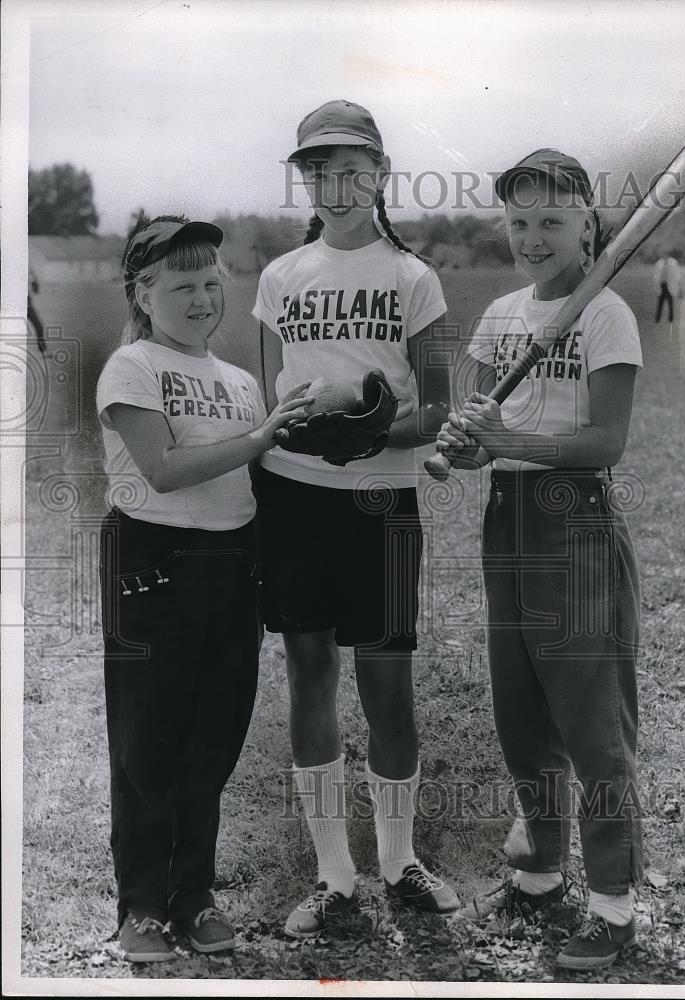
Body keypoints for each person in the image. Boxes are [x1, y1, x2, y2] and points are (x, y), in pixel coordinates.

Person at [252, 99, 460, 938]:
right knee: (309, 672)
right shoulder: (277, 277)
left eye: (350, 168)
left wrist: (367, 426)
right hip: (293, 494)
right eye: (316, 169)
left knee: (387, 682)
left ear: (378, 174)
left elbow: (437, 409)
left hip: (380, 499)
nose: (333, 184)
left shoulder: (414, 278)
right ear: (303, 179)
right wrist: (303, 428)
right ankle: (335, 877)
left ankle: (399, 860)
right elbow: (273, 397)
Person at [437, 150, 644, 970]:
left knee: (591, 722)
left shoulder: (607, 315)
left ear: (586, 224)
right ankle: (538, 876)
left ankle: (613, 904)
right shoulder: (498, 316)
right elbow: (475, 429)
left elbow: (605, 444)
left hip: (574, 523)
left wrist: (504, 441)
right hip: (507, 523)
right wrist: (465, 444)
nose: (531, 237)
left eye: (551, 221)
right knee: (520, 712)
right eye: (518, 221)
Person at [97, 215, 312, 963]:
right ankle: (143, 907)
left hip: (231, 567)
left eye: (210, 282)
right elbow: (161, 469)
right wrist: (260, 438)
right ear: (142, 291)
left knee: (212, 740)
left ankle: (195, 896)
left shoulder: (241, 381)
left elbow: (254, 483)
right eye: (180, 284)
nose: (199, 298)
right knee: (148, 741)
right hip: (154, 564)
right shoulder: (133, 366)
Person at [653, 250, 681, 323]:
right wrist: (656, 285)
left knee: (670, 302)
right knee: (660, 302)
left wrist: (677, 284)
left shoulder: (673, 262)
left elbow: (677, 274)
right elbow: (656, 274)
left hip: (670, 284)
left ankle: (671, 318)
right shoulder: (659, 263)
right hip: (662, 285)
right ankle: (657, 318)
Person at [27, 267, 47, 354]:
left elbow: (36, 290)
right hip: (17, 305)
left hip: (28, 304)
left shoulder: (29, 276)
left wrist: (33, 276)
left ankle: (42, 350)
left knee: (39, 326)